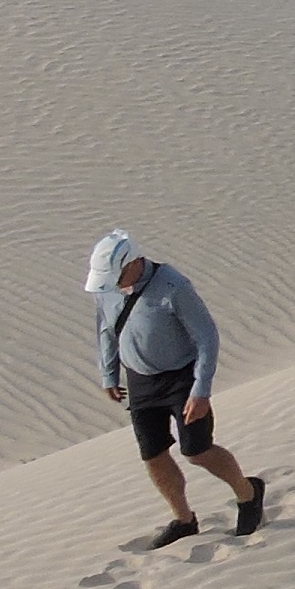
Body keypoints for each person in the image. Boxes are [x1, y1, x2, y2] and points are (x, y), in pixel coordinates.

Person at [87, 231, 267, 550]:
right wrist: (109, 374)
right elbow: (105, 329)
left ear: (134, 262)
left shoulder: (173, 286)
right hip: (140, 382)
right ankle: (184, 520)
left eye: (114, 276)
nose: (110, 284)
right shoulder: (106, 290)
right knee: (153, 455)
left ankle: (248, 494)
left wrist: (201, 391)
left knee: (197, 451)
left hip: (182, 379)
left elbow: (207, 337)